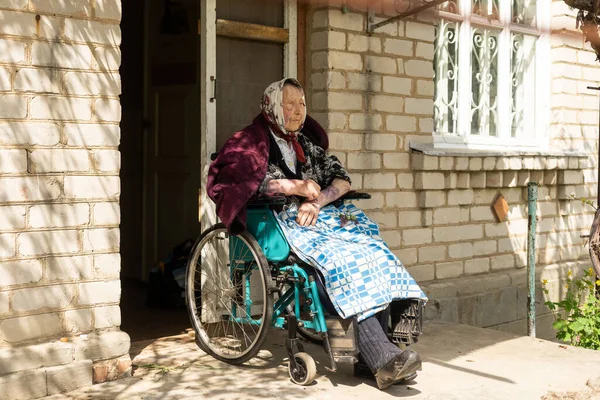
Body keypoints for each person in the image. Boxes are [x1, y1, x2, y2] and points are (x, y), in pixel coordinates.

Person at [207, 78, 427, 390]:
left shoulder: (305, 144)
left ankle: (375, 356)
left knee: (372, 252)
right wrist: (292, 186)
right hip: (281, 222)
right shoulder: (249, 144)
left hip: (320, 219)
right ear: (271, 107)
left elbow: (342, 178)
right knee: (342, 263)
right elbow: (239, 183)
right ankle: (379, 356)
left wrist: (319, 199)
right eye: (289, 103)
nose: (297, 111)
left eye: (301, 103)